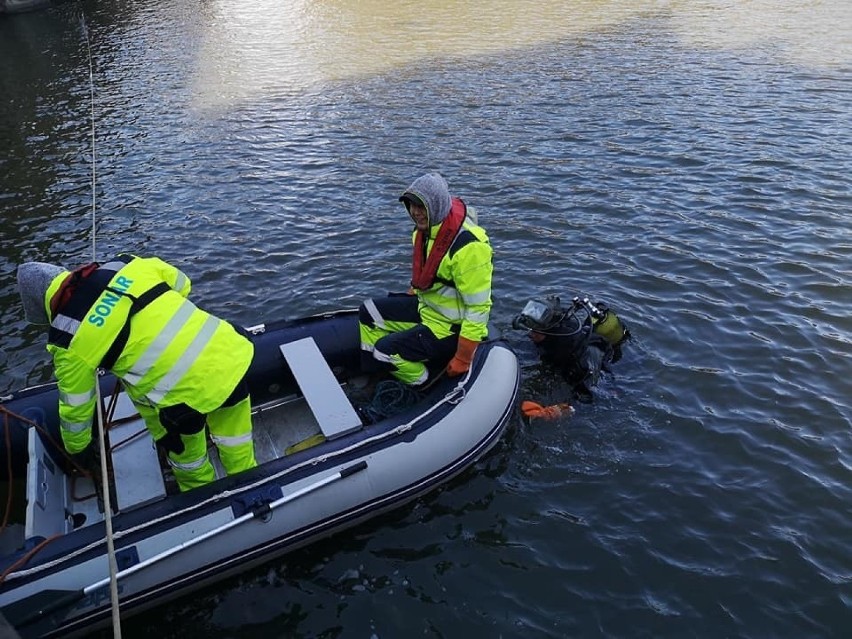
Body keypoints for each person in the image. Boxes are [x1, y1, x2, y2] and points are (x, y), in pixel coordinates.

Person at [16, 253, 257, 492]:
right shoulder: (126, 263)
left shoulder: (68, 339)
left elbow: (76, 407)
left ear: (42, 308)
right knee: (236, 439)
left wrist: (77, 449)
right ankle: (250, 480)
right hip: (229, 356)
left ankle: (202, 498)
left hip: (181, 402)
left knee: (189, 461)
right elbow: (182, 283)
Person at [358, 172, 493, 386]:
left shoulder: (470, 249)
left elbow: (479, 310)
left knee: (385, 350)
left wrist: (463, 357)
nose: (415, 213)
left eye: (421, 207)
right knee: (368, 311)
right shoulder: (422, 232)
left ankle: (423, 385)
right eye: (411, 206)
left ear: (437, 206)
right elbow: (427, 274)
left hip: (450, 328)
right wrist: (414, 290)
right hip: (426, 309)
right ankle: (374, 370)